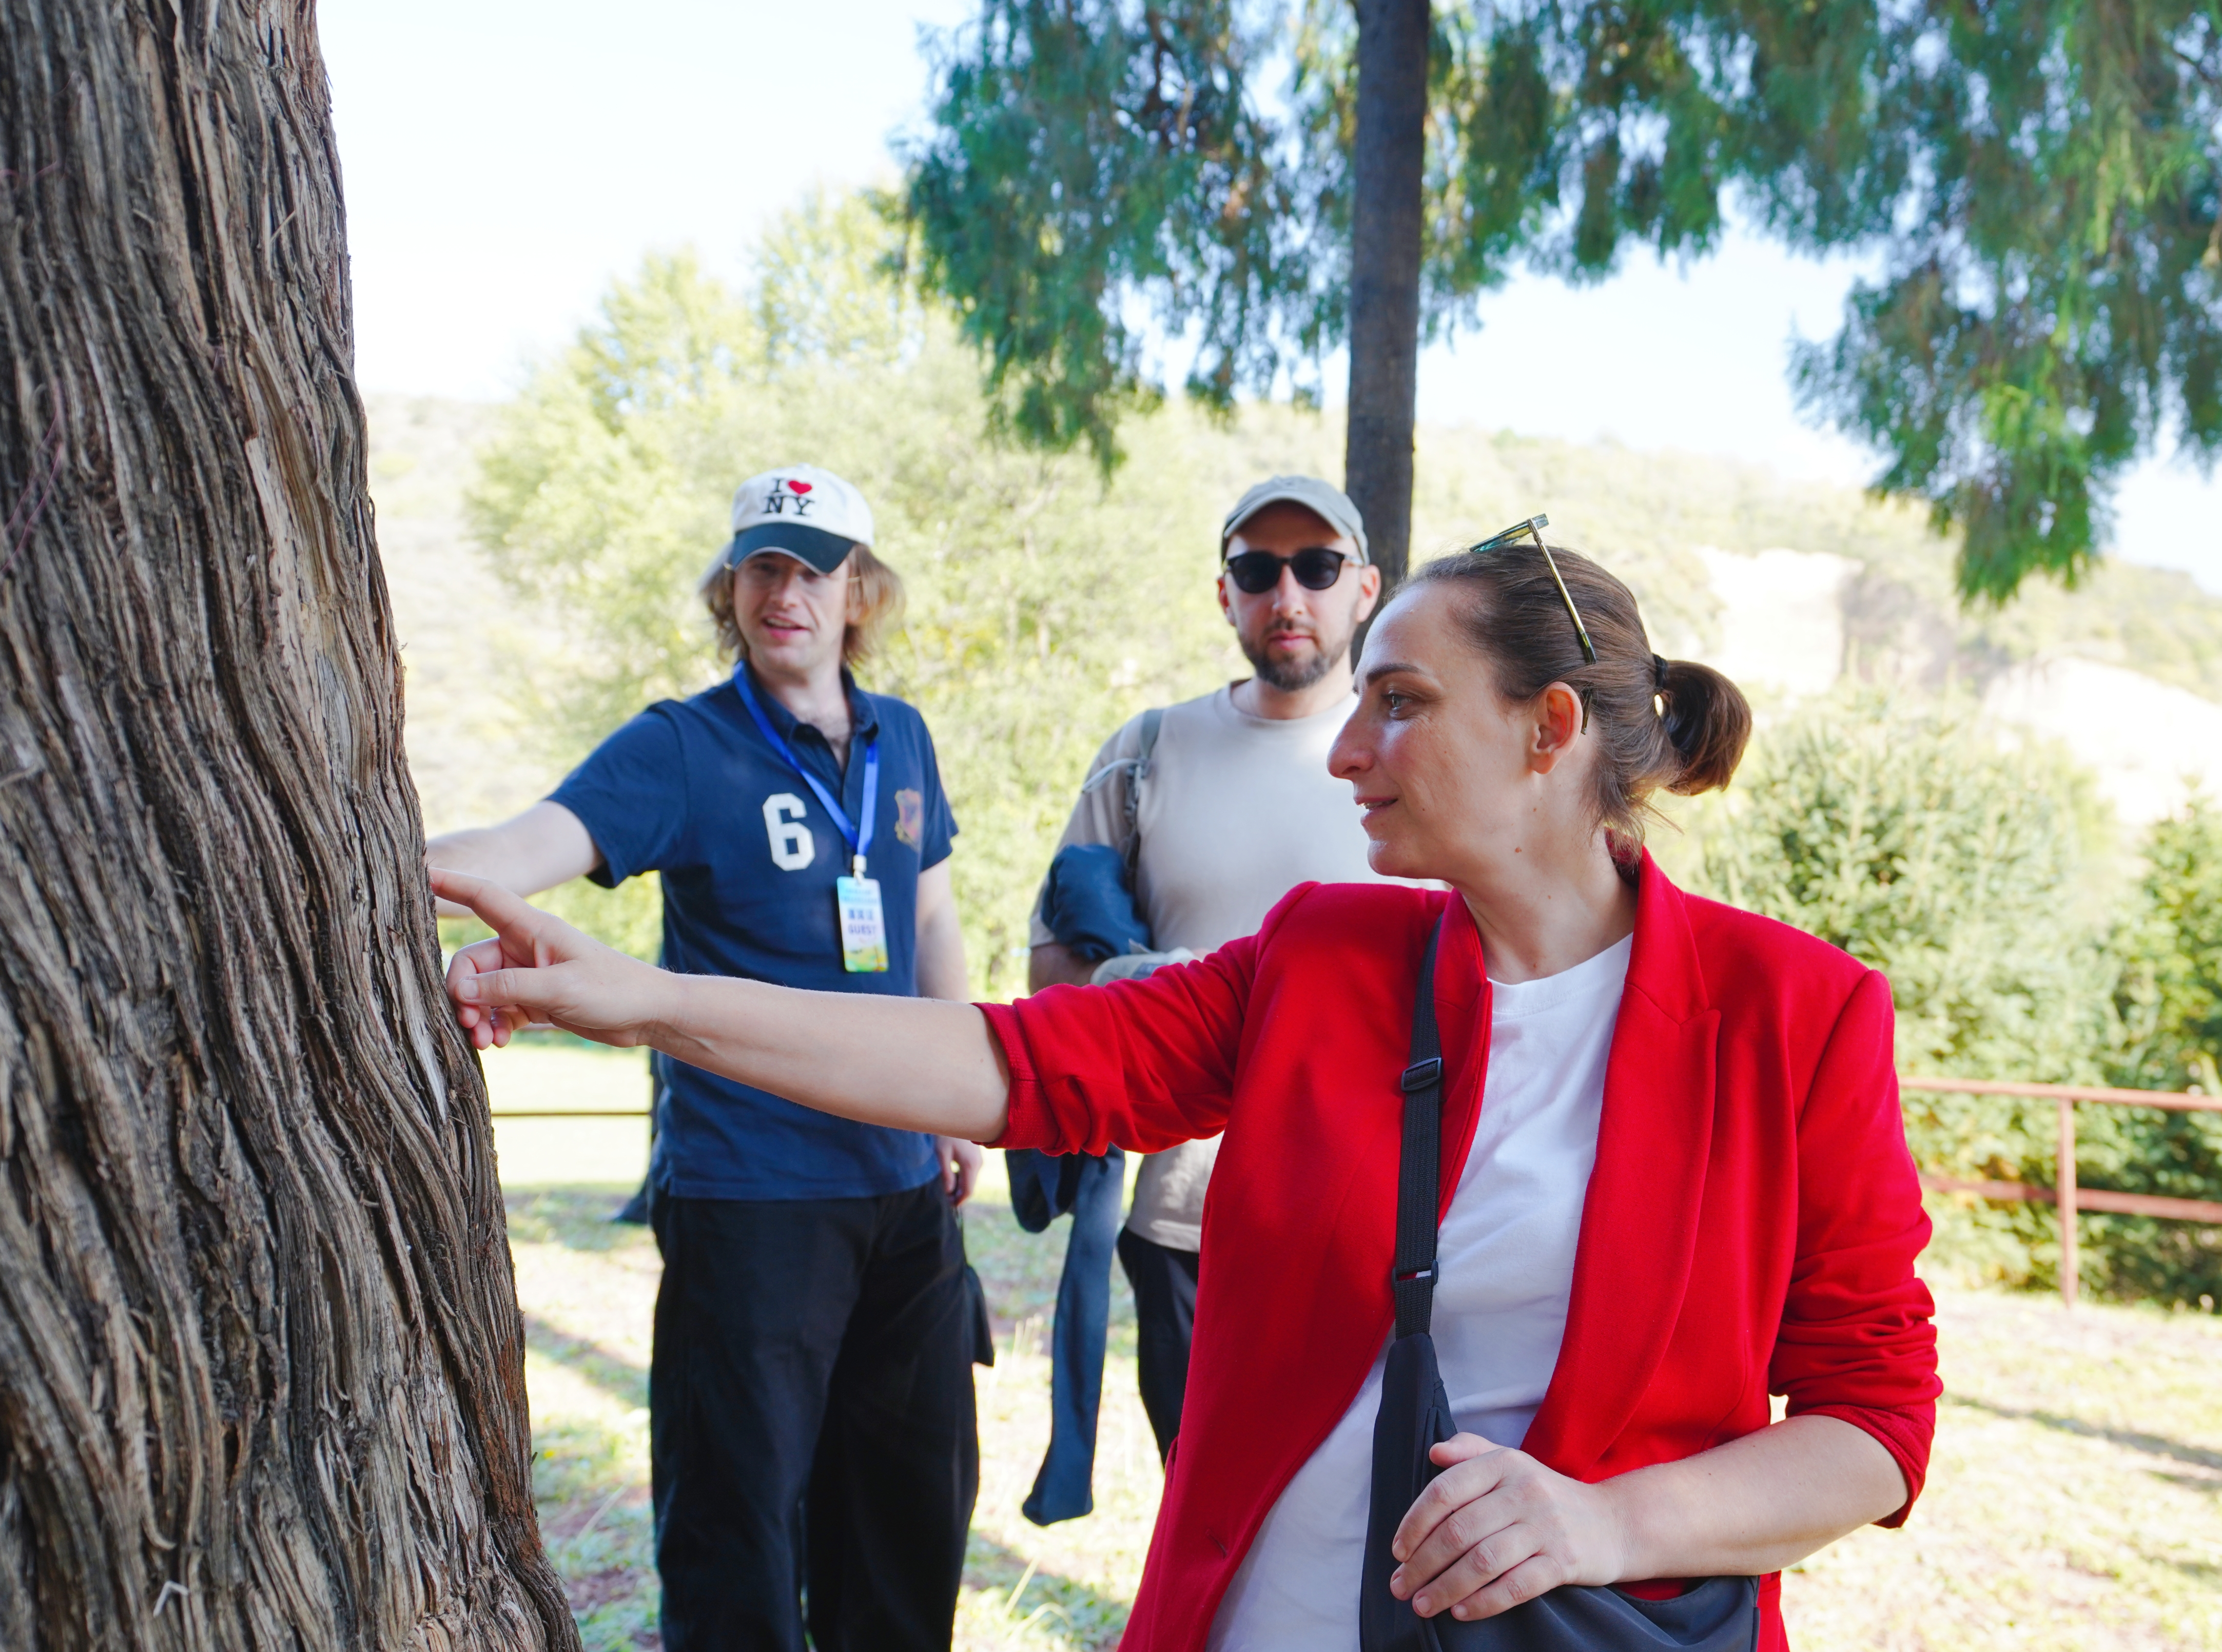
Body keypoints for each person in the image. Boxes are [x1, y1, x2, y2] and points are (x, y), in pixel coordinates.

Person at [434, 529, 1940, 1652]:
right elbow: (1011, 1064)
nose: (1347, 748)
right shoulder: (1323, 955)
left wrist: (1614, 1518)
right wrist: (646, 998)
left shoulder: (1795, 1016)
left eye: (1400, 703)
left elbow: (1871, 1423)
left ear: (1548, 732)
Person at [424, 463, 982, 1652]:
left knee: (906, 1519)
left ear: (859, 593)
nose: (784, 592)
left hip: (901, 1192)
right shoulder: (682, 745)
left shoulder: (907, 741)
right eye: (761, 567)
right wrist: (384, 860)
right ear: (730, 588)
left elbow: (930, 919)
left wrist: (954, 1103)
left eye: (811, 569)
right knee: (738, 1531)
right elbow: (531, 844)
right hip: (750, 1199)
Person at [1029, 474, 1393, 1463]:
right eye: (1257, 569)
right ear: (1223, 591)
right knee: (1203, 1499)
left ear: (1364, 587)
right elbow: (1056, 965)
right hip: (1184, 1216)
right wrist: (1135, 986)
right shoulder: (1145, 752)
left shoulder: (1413, 752)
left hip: (1376, 1220)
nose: (1288, 595)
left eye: (1317, 567)